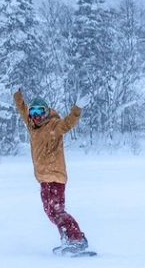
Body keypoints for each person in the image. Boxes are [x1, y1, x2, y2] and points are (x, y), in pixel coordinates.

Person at [13, 89, 89, 253]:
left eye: (40, 111)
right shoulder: (32, 126)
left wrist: (77, 108)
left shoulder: (54, 125)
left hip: (55, 175)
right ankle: (67, 237)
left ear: (46, 112)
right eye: (33, 112)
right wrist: (16, 94)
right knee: (50, 211)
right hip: (43, 178)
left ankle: (77, 239)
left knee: (56, 210)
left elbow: (68, 123)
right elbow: (21, 108)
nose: (36, 115)